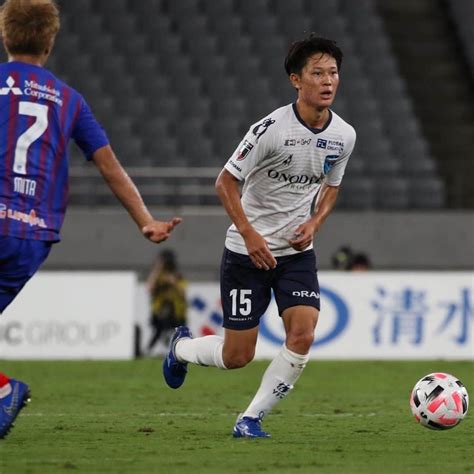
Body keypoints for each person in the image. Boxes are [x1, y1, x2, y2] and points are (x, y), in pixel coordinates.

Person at [0, 0, 181, 439]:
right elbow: (109, 166)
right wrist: (145, 220)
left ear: (5, 34)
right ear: (51, 40)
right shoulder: (68, 99)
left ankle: (4, 391)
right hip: (33, 234)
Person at [163, 34, 356, 438]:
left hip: (297, 255)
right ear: (295, 80)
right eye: (317, 73)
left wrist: (315, 223)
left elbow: (332, 186)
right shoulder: (269, 129)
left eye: (333, 72)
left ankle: (250, 419)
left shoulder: (344, 135)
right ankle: (180, 347)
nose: (328, 81)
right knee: (237, 356)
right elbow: (224, 183)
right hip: (246, 254)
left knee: (302, 333)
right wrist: (249, 234)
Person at [146, 250, 187, 356]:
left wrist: (173, 282)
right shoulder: (158, 276)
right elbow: (150, 288)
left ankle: (182, 352)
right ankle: (149, 351)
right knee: (159, 330)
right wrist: (157, 270)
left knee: (181, 332)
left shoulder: (177, 277)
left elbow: (183, 293)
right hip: (160, 310)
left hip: (177, 311)